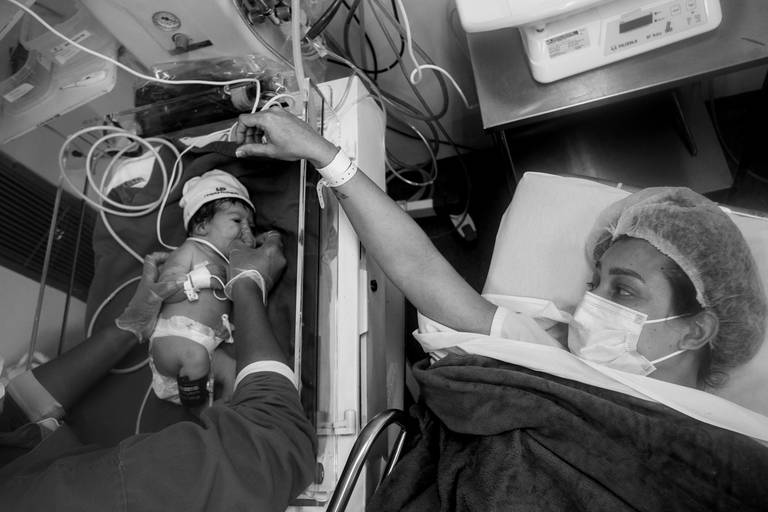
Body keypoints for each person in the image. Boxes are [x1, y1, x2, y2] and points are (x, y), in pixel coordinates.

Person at [232, 108, 768, 510]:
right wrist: (322, 153)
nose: (590, 306)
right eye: (595, 285)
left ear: (696, 329)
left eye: (623, 291)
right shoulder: (544, 354)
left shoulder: (740, 445)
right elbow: (420, 269)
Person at [0, 237, 316, 510]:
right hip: (187, 348)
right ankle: (201, 404)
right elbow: (269, 448)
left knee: (223, 369)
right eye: (234, 218)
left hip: (207, 339)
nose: (243, 226)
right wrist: (247, 284)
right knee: (196, 362)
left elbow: (16, 415)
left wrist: (129, 327)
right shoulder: (65, 499)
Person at [142, 169, 263, 406]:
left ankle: (224, 410)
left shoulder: (230, 263)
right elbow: (165, 290)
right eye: (237, 220)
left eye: (251, 225)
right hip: (173, 340)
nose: (246, 230)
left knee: (234, 370)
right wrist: (198, 279)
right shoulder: (190, 250)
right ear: (202, 226)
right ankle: (195, 408)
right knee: (195, 357)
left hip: (209, 345)